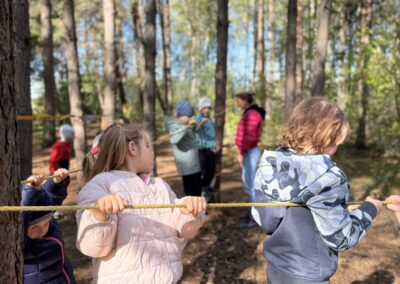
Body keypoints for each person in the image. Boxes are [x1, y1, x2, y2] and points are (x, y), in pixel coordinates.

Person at [252, 97, 382, 284]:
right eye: (336, 142)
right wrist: (370, 209)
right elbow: (342, 238)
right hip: (309, 275)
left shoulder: (269, 165)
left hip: (277, 268)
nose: (336, 148)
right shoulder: (327, 178)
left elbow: (260, 216)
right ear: (325, 138)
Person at [76, 124, 207, 283]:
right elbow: (94, 248)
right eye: (147, 146)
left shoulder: (159, 186)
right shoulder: (100, 186)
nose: (152, 152)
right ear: (132, 148)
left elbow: (184, 230)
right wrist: (100, 215)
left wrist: (189, 211)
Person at [22, 168, 76, 284]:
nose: (42, 230)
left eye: (46, 223)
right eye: (34, 227)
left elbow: (48, 203)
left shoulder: (49, 225)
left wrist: (56, 183)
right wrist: (30, 192)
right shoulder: (22, 243)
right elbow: (22, 218)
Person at [235, 92, 265, 228]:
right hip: (249, 151)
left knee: (252, 185)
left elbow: (250, 137)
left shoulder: (252, 114)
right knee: (249, 184)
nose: (237, 103)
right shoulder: (249, 112)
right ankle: (253, 213)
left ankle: (256, 219)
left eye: (239, 101)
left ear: (246, 100)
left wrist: (241, 152)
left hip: (250, 151)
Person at [164, 100, 202, 196]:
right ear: (183, 115)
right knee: (192, 194)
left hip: (192, 165)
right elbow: (174, 139)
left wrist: (191, 127)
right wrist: (185, 128)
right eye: (188, 116)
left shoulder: (182, 125)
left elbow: (185, 137)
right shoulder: (176, 126)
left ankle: (199, 210)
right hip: (188, 167)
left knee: (197, 191)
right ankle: (194, 211)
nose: (190, 118)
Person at [194, 97, 218, 200]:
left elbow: (212, 132)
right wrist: (201, 123)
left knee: (212, 170)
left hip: (211, 148)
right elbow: (194, 129)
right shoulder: (199, 118)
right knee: (204, 171)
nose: (207, 110)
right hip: (202, 149)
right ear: (201, 109)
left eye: (208, 108)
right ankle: (204, 189)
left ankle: (207, 186)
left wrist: (214, 123)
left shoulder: (210, 119)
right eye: (204, 108)